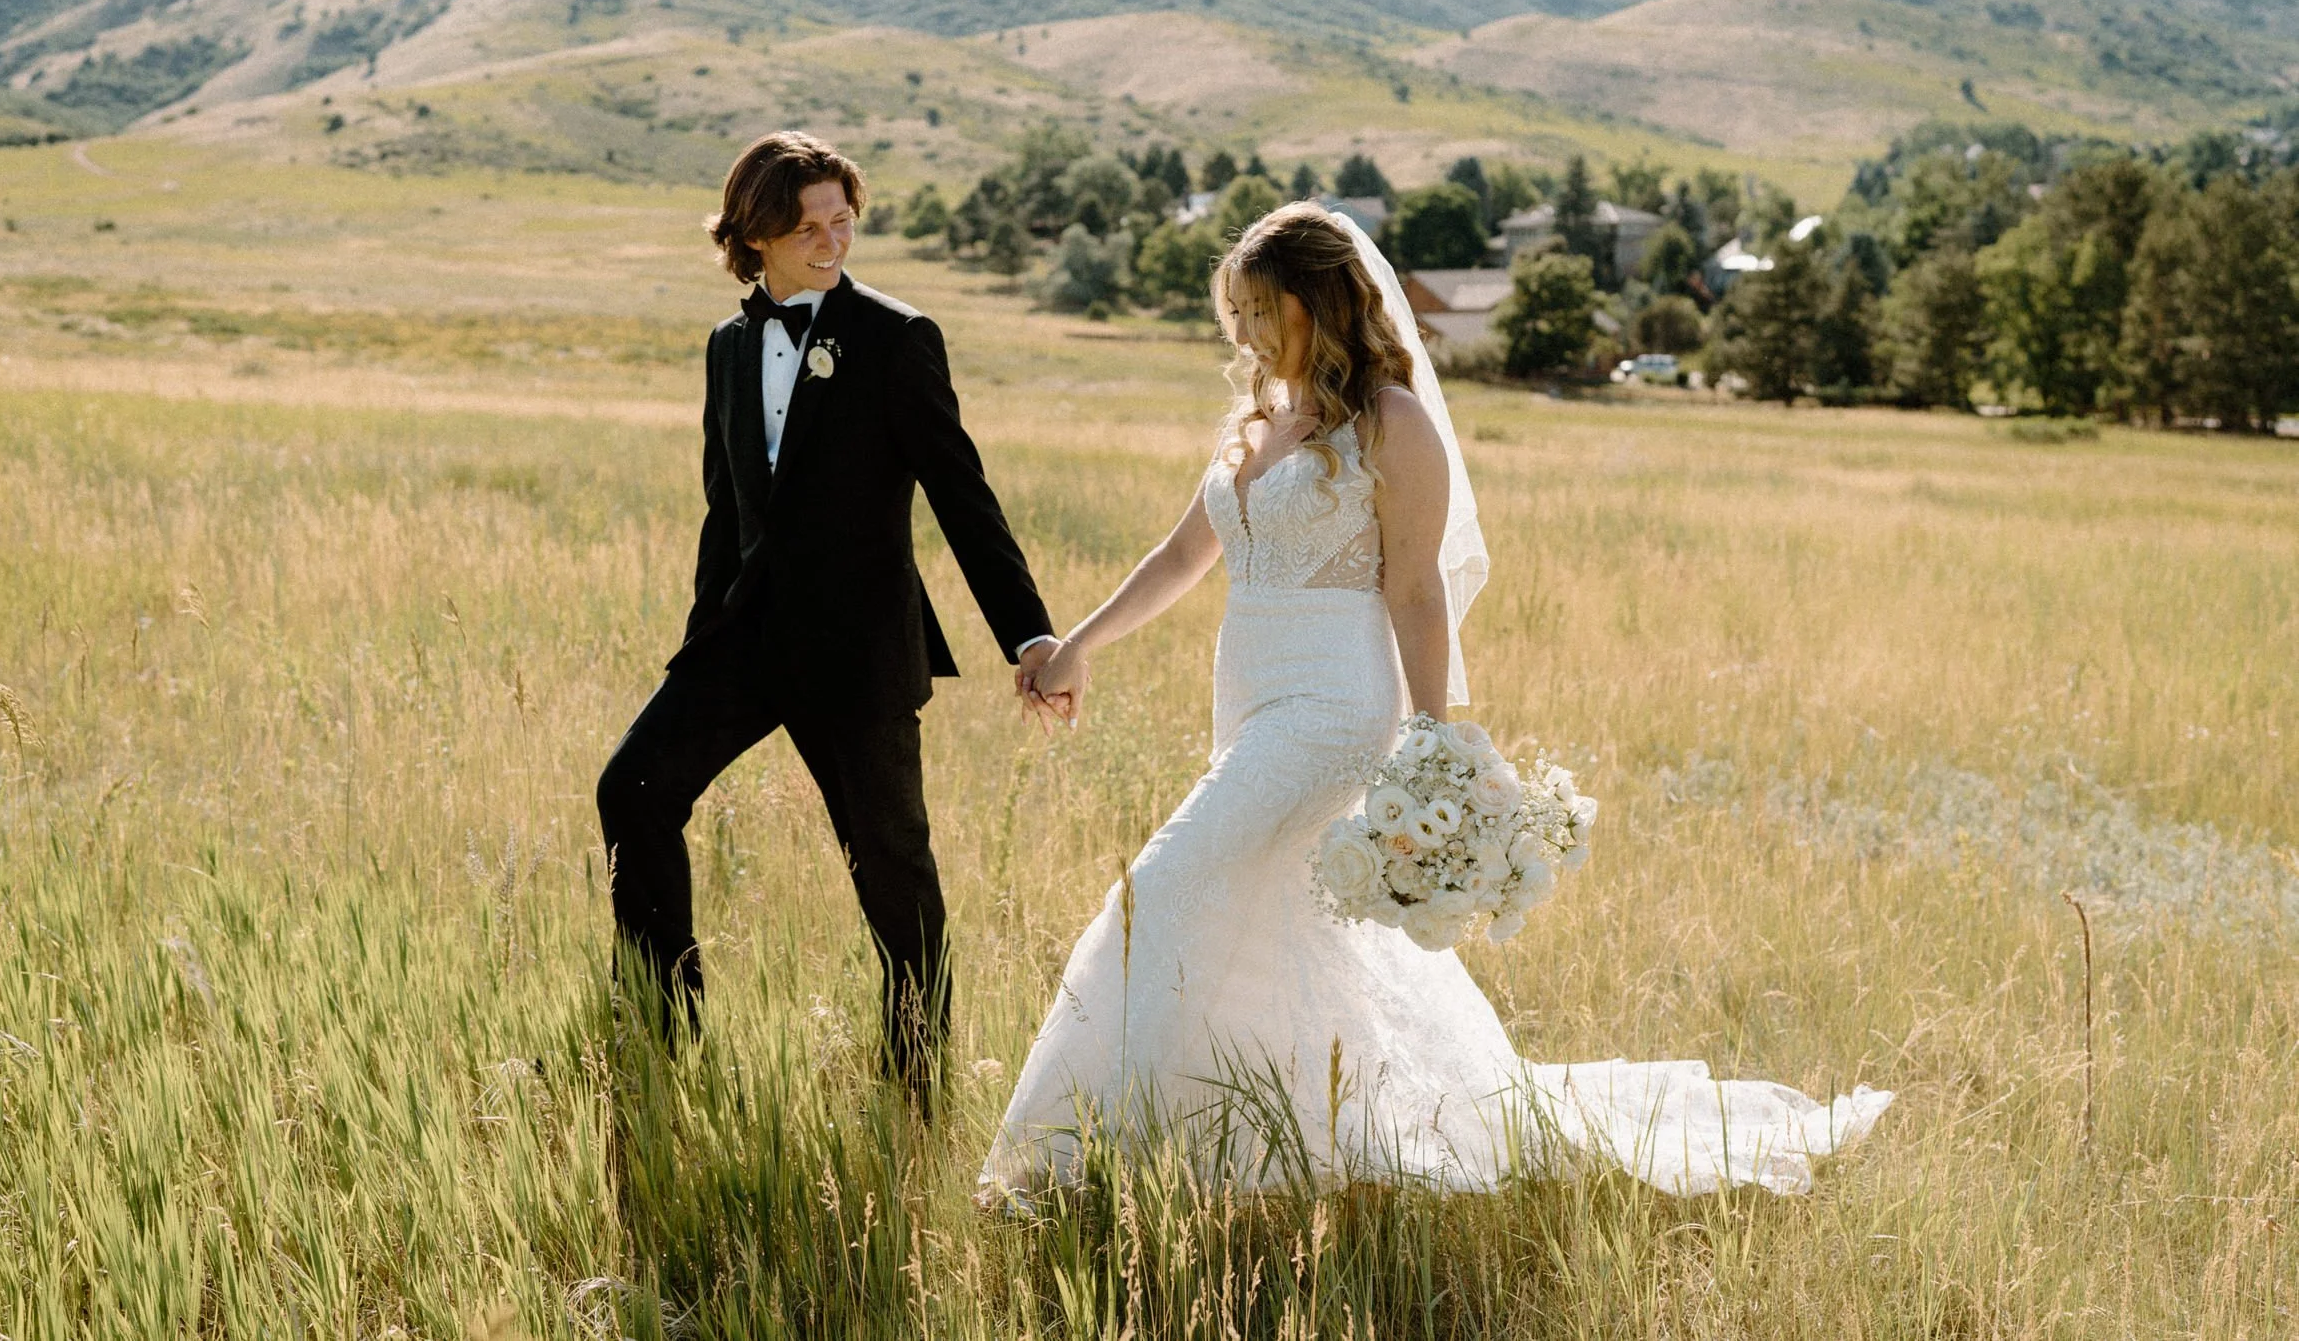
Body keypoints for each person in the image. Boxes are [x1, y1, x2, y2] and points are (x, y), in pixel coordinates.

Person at [983, 201, 1889, 1199]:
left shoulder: (1390, 421)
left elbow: (1414, 588)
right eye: (1230, 313)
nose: (1237, 333)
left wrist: (1434, 741)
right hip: (1247, 697)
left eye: (1252, 310)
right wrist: (1075, 645)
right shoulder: (1257, 421)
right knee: (1268, 916)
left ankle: (1084, 1157)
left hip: (1333, 707)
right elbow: (1181, 555)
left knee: (1161, 890)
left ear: (1307, 304)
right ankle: (1262, 1145)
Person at [596, 130, 1059, 1102]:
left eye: (842, 221)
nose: (830, 240)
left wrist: (1029, 633)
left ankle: (917, 1082)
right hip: (745, 639)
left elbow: (960, 495)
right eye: (809, 225)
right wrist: (697, 649)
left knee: (893, 874)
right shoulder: (729, 346)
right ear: (755, 233)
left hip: (858, 655)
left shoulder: (897, 339)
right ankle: (661, 1030)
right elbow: (727, 509)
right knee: (632, 787)